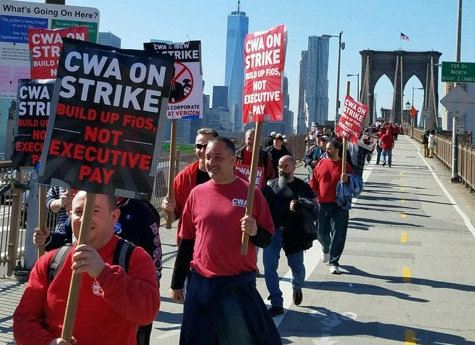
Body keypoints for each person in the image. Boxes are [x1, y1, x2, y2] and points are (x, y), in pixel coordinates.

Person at [170, 136, 282, 345]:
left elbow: (267, 240)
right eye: (208, 157)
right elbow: (187, 241)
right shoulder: (197, 194)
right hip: (201, 283)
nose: (211, 162)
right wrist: (177, 283)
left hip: (235, 286)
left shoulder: (251, 194)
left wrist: (255, 230)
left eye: (218, 157)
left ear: (233, 161)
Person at [13, 192, 160, 345]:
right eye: (78, 212)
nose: (84, 218)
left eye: (94, 210)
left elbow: (147, 313)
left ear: (114, 216)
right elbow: (23, 321)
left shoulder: (134, 258)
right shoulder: (51, 261)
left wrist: (103, 273)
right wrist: (48, 343)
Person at [262, 155, 317, 317]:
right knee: (269, 268)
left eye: (285, 166)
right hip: (273, 233)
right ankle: (276, 302)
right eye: (280, 166)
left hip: (294, 233)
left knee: (297, 268)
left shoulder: (302, 187)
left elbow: (315, 208)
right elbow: (262, 207)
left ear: (294, 167)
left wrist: (301, 206)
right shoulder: (271, 185)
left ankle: (297, 286)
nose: (281, 170)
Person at [309, 139, 355, 275]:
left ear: (337, 150)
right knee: (321, 232)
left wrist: (348, 179)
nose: (326, 151)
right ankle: (326, 248)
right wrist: (310, 195)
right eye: (326, 149)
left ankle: (334, 262)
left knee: (338, 234)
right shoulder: (321, 163)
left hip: (340, 205)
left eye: (329, 149)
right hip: (322, 203)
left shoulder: (344, 165)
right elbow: (314, 181)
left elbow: (355, 184)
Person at [161, 128, 219, 225]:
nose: (202, 150)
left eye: (207, 146)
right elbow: (170, 220)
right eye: (199, 146)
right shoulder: (184, 177)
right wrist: (167, 210)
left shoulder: (232, 176)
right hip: (190, 238)